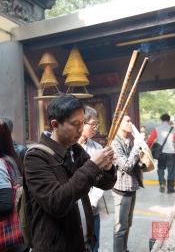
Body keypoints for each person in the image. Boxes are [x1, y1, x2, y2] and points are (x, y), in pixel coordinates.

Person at [24, 94, 117, 252]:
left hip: (84, 243)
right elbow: (56, 203)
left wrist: (107, 167)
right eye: (75, 124)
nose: (81, 130)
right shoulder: (35, 157)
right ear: (55, 124)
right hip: (56, 247)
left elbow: (105, 184)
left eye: (82, 123)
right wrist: (93, 165)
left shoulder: (76, 150)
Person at [111, 113, 144, 252]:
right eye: (127, 121)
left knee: (127, 224)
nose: (131, 124)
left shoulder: (128, 140)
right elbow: (126, 165)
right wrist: (136, 147)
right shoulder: (114, 143)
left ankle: (124, 249)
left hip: (131, 187)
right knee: (120, 227)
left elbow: (134, 162)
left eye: (131, 121)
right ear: (118, 124)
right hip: (121, 190)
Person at [78, 106, 104, 252]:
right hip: (74, 208)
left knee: (93, 245)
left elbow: (100, 179)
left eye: (97, 124)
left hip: (92, 207)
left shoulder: (97, 148)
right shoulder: (70, 147)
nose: (95, 128)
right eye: (92, 124)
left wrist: (93, 203)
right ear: (81, 123)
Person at [0, 119, 26, 252]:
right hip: (18, 237)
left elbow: (6, 204)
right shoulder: (11, 158)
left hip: (6, 239)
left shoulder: (0, 164)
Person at [147, 114, 175, 194]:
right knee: (171, 170)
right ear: (169, 121)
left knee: (161, 168)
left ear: (161, 120)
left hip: (161, 153)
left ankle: (162, 182)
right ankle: (170, 189)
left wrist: (147, 149)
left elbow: (150, 140)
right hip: (171, 152)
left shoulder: (157, 129)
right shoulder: (173, 129)